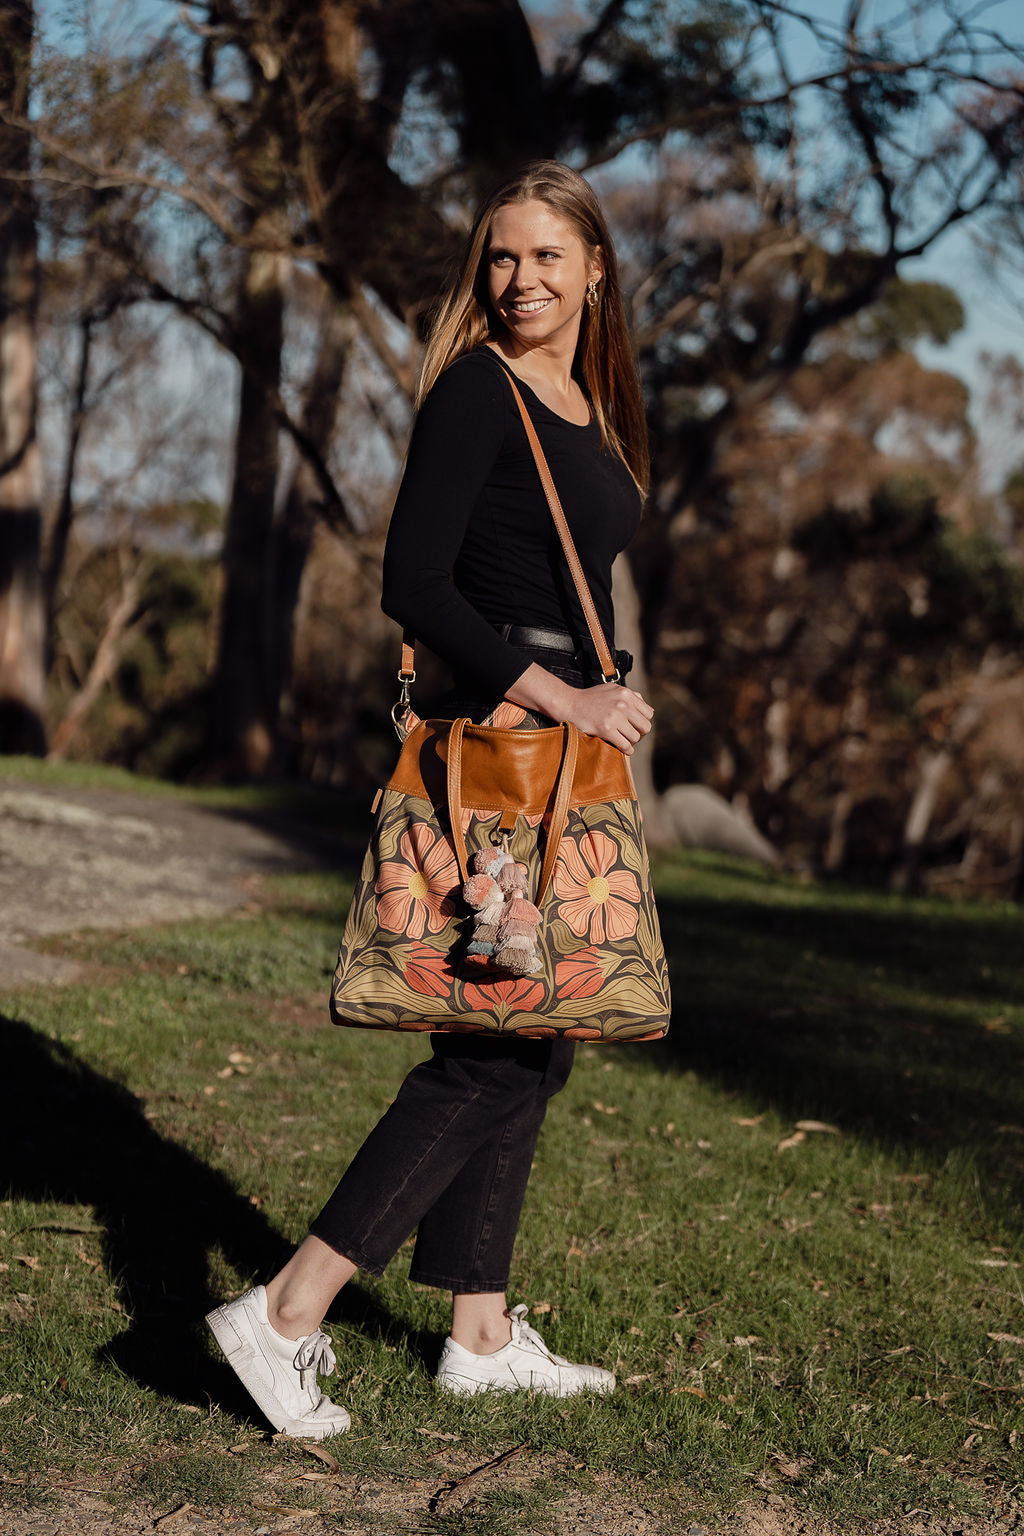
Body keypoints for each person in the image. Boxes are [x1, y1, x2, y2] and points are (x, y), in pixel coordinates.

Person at [206, 160, 655, 1440]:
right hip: (510, 751)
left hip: (567, 759)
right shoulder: (476, 392)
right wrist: (560, 698)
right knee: (491, 1051)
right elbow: (415, 580)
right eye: (501, 258)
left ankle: (478, 1331)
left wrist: (603, 695)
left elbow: (572, 578)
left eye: (545, 258)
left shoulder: (582, 400)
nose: (518, 281)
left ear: (594, 268)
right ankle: (286, 1312)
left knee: (529, 1036)